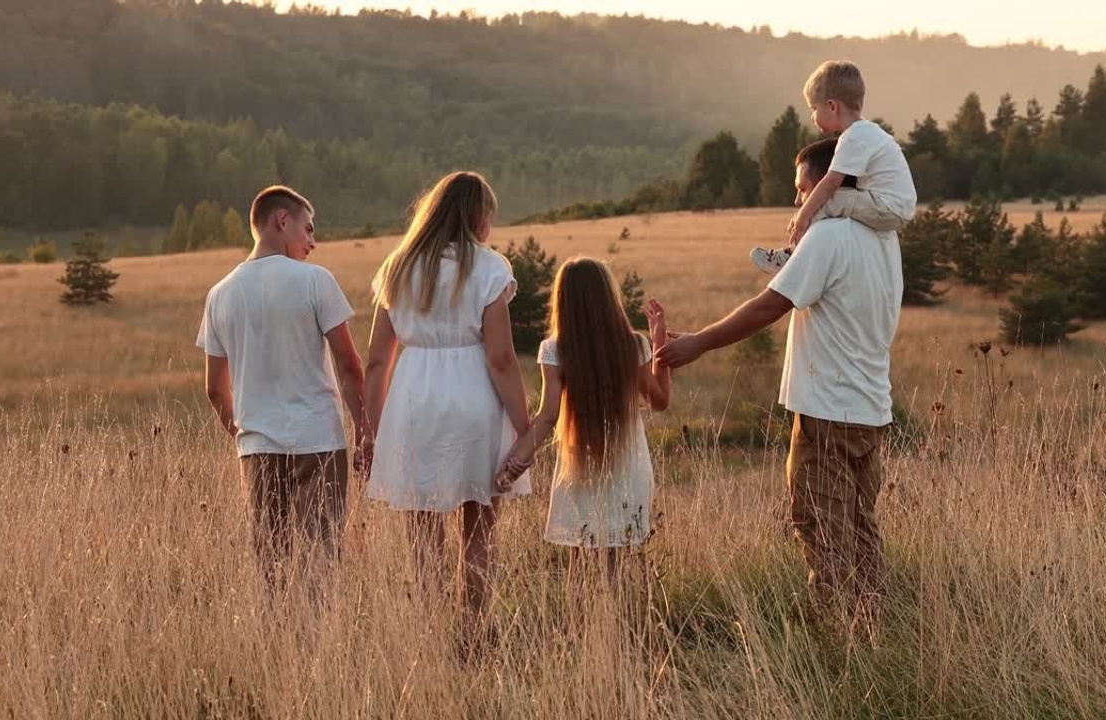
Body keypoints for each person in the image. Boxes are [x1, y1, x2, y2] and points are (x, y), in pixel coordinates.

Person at [659, 137, 903, 619]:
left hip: (827, 412)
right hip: (871, 410)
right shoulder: (883, 238)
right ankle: (874, 628)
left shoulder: (829, 236)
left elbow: (770, 306)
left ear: (828, 183)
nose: (798, 200)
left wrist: (699, 342)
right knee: (860, 526)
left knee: (820, 524)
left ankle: (836, 640)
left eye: (801, 188)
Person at [363, 171, 529, 620]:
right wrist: (525, 428)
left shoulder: (397, 267)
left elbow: (377, 361)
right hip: (475, 397)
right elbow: (501, 359)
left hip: (414, 399)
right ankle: (473, 630)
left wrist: (371, 429)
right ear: (479, 217)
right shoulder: (491, 267)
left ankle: (433, 632)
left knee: (422, 529)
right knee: (479, 527)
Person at [196, 185, 366, 590]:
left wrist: (242, 431)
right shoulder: (316, 281)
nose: (313, 242)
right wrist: (364, 430)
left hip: (258, 449)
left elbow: (215, 390)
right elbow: (349, 363)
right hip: (318, 442)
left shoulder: (218, 295)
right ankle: (317, 648)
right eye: (308, 230)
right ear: (281, 221)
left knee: (270, 564)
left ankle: (277, 647)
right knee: (319, 564)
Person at [494, 258, 671, 580]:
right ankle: (614, 628)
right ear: (608, 296)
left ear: (564, 300)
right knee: (616, 563)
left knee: (580, 558)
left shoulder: (555, 349)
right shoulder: (634, 345)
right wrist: (659, 342)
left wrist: (516, 461)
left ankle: (579, 631)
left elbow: (548, 417)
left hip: (579, 466)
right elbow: (660, 401)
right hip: (629, 465)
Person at [750, 60, 917, 274]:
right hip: (897, 208)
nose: (812, 116)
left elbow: (829, 183)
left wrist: (803, 216)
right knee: (837, 200)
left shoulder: (853, 137)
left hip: (887, 206)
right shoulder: (869, 132)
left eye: (814, 108)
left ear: (832, 106)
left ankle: (794, 253)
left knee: (830, 200)